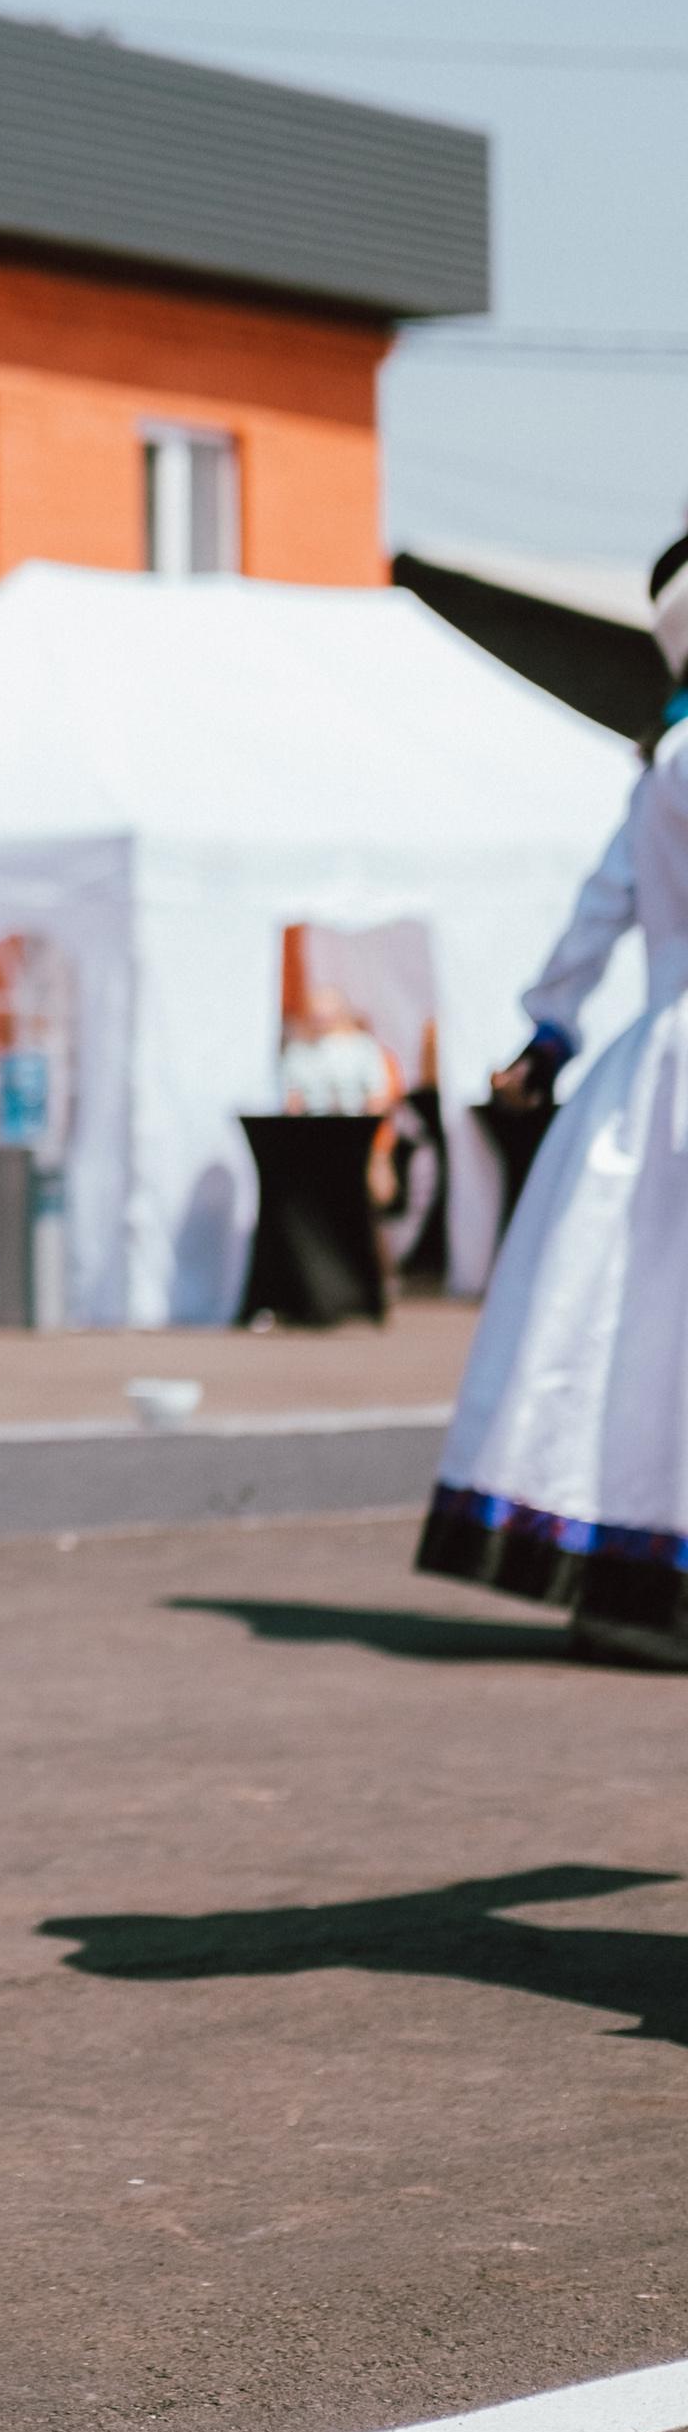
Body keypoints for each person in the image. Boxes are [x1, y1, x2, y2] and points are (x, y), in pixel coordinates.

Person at [418, 523, 688, 1665]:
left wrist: (548, 1027)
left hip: (655, 1075)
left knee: (633, 1329)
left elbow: (600, 906)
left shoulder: (663, 760)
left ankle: (621, 1576)